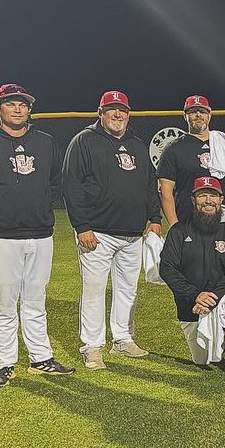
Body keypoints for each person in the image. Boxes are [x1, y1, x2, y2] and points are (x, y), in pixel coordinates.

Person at [0, 82, 75, 387]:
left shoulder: (45, 142)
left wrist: (41, 203)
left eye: (23, 104)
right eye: (11, 104)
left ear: (29, 109)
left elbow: (57, 182)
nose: (18, 109)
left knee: (36, 298)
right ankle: (4, 362)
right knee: (5, 301)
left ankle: (41, 358)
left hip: (41, 232)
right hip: (1, 236)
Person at [63, 90, 161, 370]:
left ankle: (122, 338)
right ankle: (92, 346)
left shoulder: (136, 144)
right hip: (97, 233)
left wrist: (154, 217)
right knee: (94, 290)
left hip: (132, 234)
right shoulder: (84, 141)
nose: (118, 114)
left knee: (128, 290)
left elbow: (147, 184)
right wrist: (82, 226)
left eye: (123, 110)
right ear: (100, 112)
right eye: (112, 109)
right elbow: (72, 186)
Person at [158, 177, 225, 387]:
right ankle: (223, 336)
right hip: (191, 305)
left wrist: (211, 298)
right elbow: (167, 268)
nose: (208, 200)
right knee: (202, 360)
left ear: (221, 199)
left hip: (221, 298)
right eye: (202, 195)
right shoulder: (179, 231)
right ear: (193, 200)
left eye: (213, 195)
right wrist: (195, 295)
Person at [157, 95, 225, 229]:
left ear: (209, 115)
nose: (198, 115)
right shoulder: (174, 148)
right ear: (185, 116)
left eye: (202, 111)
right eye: (193, 111)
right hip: (188, 221)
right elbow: (165, 191)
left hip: (224, 222)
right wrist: (174, 225)